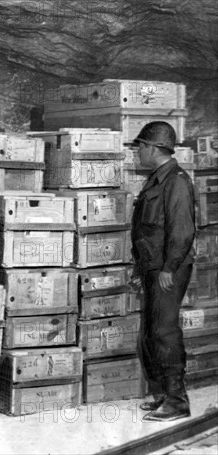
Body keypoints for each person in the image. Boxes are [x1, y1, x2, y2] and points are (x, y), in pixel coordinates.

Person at [130, 121, 196, 422]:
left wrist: (169, 267)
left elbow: (182, 230)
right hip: (154, 267)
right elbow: (147, 230)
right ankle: (162, 396)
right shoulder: (157, 179)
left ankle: (177, 401)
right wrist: (139, 268)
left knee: (164, 331)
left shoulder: (176, 181)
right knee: (151, 332)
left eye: (140, 146)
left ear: (154, 148)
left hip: (168, 269)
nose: (137, 152)